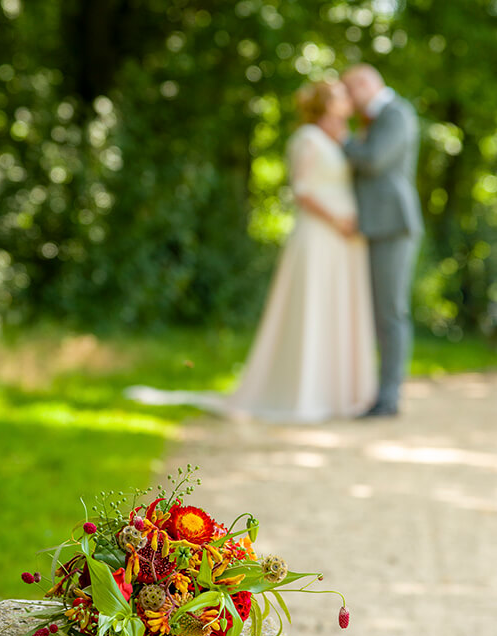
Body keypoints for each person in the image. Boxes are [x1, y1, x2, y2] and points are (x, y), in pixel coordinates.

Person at [125, 79, 377, 423]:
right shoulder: (307, 139)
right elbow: (301, 190)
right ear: (325, 103)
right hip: (319, 235)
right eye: (340, 96)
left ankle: (335, 394)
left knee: (336, 309)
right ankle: (304, 393)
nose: (348, 100)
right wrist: (336, 220)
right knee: (313, 309)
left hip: (344, 243)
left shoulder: (343, 141)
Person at [341, 65, 423, 417]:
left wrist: (339, 139)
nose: (347, 99)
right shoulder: (374, 119)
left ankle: (389, 398)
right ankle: (375, 391)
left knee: (390, 313)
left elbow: (373, 160)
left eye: (349, 91)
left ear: (364, 85)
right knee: (376, 313)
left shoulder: (396, 113)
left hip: (393, 224)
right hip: (373, 226)